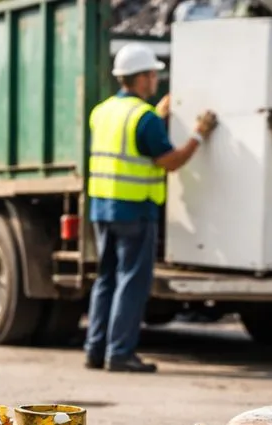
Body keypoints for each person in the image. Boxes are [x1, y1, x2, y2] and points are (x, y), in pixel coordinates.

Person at [83, 43, 218, 373]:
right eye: (153, 74)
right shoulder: (145, 119)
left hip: (103, 207)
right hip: (136, 210)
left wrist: (157, 115)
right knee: (132, 282)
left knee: (106, 279)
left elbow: (130, 138)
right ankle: (121, 354)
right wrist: (199, 135)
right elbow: (170, 161)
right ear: (141, 78)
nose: (156, 78)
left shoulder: (102, 111)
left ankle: (95, 350)